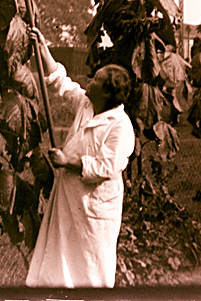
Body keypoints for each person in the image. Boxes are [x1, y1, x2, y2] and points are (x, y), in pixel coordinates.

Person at [25, 27, 135, 288]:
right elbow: (61, 83)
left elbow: (106, 167)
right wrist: (42, 48)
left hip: (93, 209)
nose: (89, 82)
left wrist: (67, 162)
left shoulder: (120, 125)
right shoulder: (87, 104)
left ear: (108, 93)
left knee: (89, 270)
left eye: (95, 80)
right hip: (69, 200)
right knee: (59, 270)